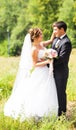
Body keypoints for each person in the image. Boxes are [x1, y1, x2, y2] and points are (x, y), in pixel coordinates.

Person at [4, 28, 58, 121]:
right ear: (35, 37)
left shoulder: (41, 44)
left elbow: (50, 41)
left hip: (46, 72)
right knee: (37, 92)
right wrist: (48, 61)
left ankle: (46, 112)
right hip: (39, 72)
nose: (42, 35)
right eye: (40, 34)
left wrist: (54, 33)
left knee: (46, 91)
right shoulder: (33, 49)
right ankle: (35, 113)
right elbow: (35, 64)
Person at [43, 21, 72, 116]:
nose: (54, 32)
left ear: (62, 29)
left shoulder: (66, 42)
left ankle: (62, 115)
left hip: (61, 73)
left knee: (60, 93)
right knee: (53, 93)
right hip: (53, 71)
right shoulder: (55, 39)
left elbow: (62, 59)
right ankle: (54, 112)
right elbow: (52, 51)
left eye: (55, 29)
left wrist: (49, 62)